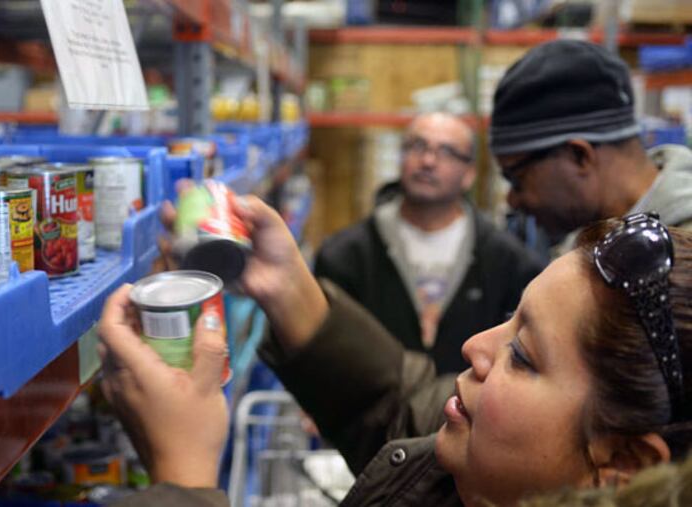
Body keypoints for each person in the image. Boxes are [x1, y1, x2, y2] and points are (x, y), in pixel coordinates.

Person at [100, 196, 691, 507]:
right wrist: (288, 291)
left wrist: (181, 479)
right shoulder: (490, 471)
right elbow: (409, 418)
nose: (474, 346)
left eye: (524, 355)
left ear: (627, 468)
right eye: (510, 319)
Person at [315, 112, 545, 375]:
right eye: (417, 146)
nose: (427, 161)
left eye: (446, 152)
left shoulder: (510, 264)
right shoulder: (344, 256)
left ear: (469, 173)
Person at [490, 39, 692, 246]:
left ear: (579, 156)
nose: (512, 200)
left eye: (517, 179)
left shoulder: (683, 250)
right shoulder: (583, 245)